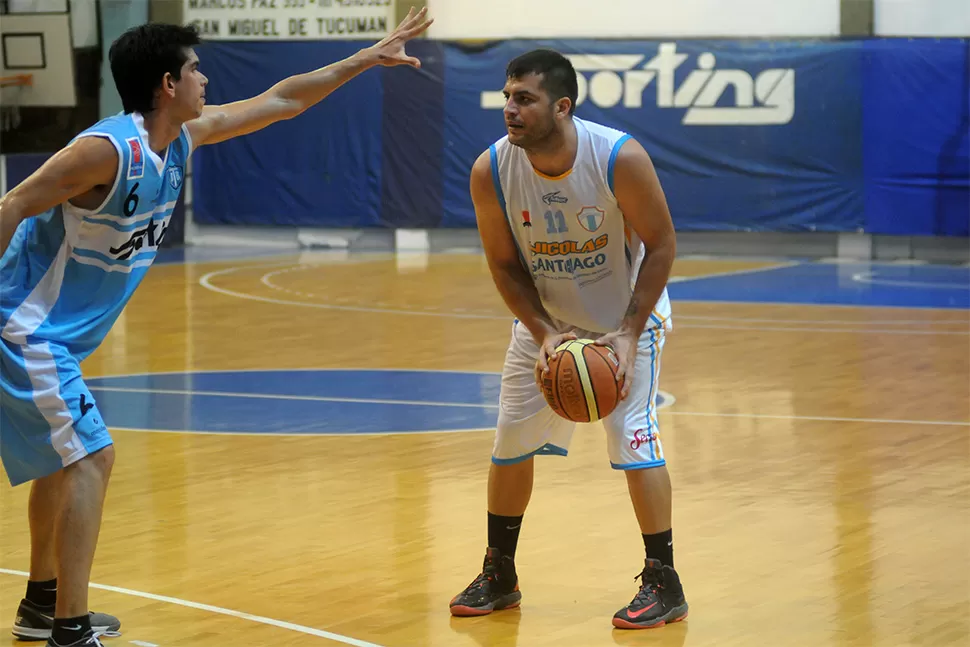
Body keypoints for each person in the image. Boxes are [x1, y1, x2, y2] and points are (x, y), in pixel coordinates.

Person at [0, 9, 432, 647]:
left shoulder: (182, 137)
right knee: (92, 456)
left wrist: (366, 58)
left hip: (54, 334)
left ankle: (41, 603)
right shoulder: (104, 151)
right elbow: (12, 203)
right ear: (167, 85)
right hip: (25, 329)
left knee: (61, 461)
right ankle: (70, 628)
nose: (207, 77)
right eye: (196, 68)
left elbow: (281, 99)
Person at [448, 49, 688, 629]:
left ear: (562, 105)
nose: (509, 108)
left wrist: (629, 334)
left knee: (636, 443)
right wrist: (544, 334)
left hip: (624, 321)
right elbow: (504, 266)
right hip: (546, 322)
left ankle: (665, 579)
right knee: (509, 443)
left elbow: (662, 245)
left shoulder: (616, 157)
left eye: (523, 98)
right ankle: (499, 572)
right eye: (506, 96)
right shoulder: (491, 169)